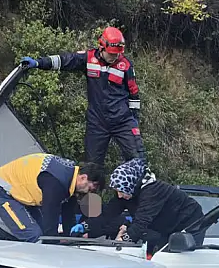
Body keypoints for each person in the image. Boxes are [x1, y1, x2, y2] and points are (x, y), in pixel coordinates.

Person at [20, 26, 145, 165]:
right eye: (112, 54)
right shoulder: (88, 58)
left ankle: (143, 185)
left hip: (122, 121)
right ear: (102, 47)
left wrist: (134, 119)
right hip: (97, 123)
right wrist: (38, 63)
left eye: (117, 54)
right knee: (91, 167)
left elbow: (134, 93)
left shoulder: (126, 65)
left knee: (138, 161)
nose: (115, 57)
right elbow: (65, 61)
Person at [69, 158, 205, 254]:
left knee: (179, 257)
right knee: (161, 253)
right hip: (164, 225)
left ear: (130, 185)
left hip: (189, 221)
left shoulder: (153, 191)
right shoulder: (127, 191)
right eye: (117, 192)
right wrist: (86, 225)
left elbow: (141, 223)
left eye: (121, 192)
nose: (119, 196)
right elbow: (108, 214)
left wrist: (122, 241)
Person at [0, 153, 105, 242]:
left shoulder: (70, 177)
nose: (93, 190)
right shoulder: (56, 184)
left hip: (23, 193)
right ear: (83, 177)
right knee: (34, 235)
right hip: (1, 192)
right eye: (93, 186)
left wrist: (72, 239)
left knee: (44, 234)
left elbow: (68, 213)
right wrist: (54, 244)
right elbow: (50, 217)